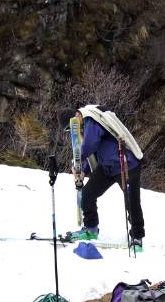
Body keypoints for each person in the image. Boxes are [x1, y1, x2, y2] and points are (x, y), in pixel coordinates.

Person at [60, 105, 145, 249]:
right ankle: (91, 228)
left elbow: (90, 144)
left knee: (131, 201)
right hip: (107, 167)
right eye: (69, 130)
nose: (73, 131)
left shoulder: (90, 119)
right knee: (87, 194)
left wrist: (78, 160)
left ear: (76, 115)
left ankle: (137, 237)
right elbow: (93, 152)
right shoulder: (85, 124)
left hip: (126, 163)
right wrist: (84, 170)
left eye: (71, 127)